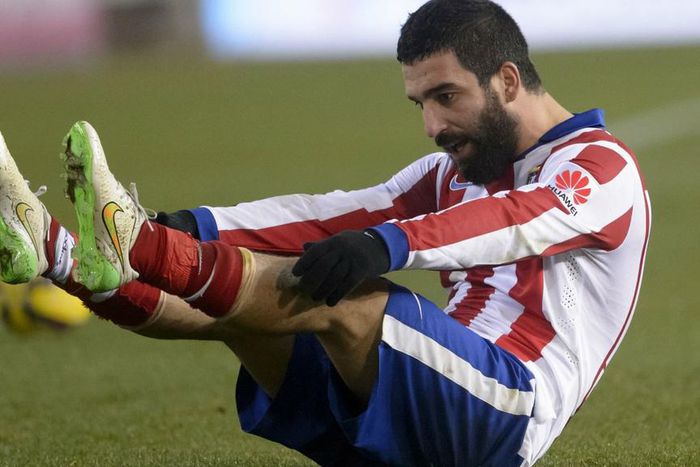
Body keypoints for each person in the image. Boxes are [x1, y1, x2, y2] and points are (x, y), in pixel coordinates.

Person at [0, 0, 650, 465]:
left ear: (506, 80)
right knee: (247, 317)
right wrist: (192, 226)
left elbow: (515, 220)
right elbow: (333, 214)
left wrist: (389, 243)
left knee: (349, 297)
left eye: (446, 97)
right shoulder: (452, 169)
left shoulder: (602, 168)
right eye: (420, 104)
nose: (431, 126)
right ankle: (60, 255)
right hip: (427, 397)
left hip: (508, 414)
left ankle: (134, 246)